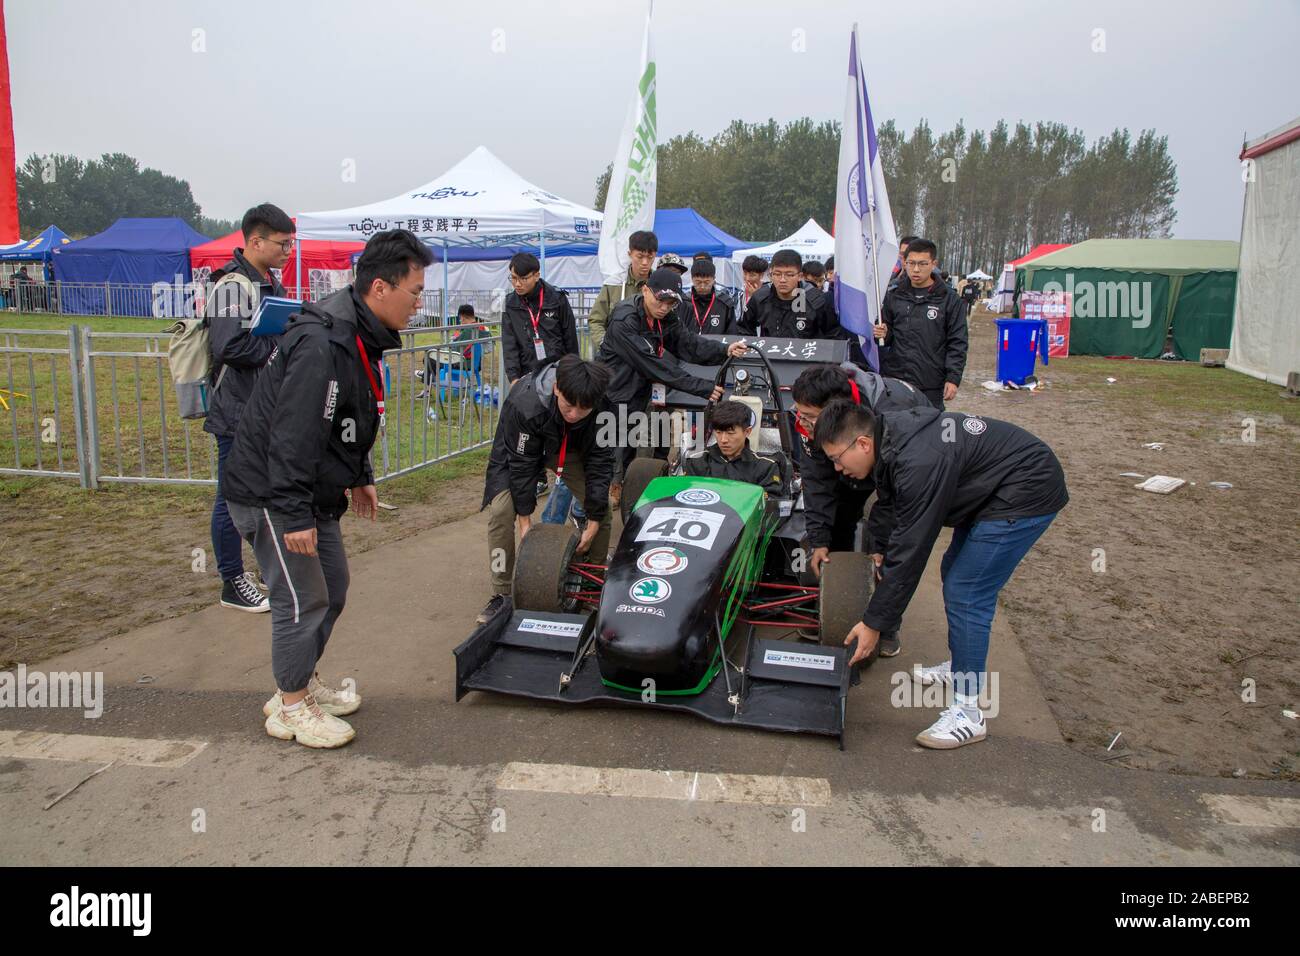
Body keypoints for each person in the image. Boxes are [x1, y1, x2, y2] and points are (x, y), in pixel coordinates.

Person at [222, 228, 433, 749]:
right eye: (416, 292)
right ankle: (290, 706)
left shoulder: (357, 334)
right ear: (380, 289)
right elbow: (293, 436)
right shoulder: (323, 341)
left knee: (332, 588)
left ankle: (300, 681)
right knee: (303, 599)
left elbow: (350, 418)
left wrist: (360, 477)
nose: (419, 304)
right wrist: (293, 514)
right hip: (272, 493)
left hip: (312, 491)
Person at [814, 400, 1068, 750]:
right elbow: (891, 503)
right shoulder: (890, 438)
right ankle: (963, 664)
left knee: (967, 592)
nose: (838, 468)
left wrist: (875, 623)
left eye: (837, 458)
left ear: (862, 444)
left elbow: (914, 547)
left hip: (1024, 489)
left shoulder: (920, 460)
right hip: (991, 487)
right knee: (954, 570)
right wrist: (880, 547)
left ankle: (969, 713)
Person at [790, 363, 929, 656]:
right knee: (837, 521)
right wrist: (819, 540)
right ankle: (836, 603)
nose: (803, 419)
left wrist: (880, 543)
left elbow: (895, 505)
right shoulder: (809, 422)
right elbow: (816, 482)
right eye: (800, 412)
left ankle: (886, 625)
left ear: (834, 410)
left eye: (810, 416)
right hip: (851, 454)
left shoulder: (892, 413)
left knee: (890, 543)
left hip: (903, 465)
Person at [203, 202, 296, 614]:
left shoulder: (267, 282)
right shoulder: (231, 286)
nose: (287, 251)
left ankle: (258, 570)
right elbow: (228, 346)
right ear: (255, 241)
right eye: (282, 244)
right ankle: (231, 581)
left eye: (291, 244)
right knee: (230, 498)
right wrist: (280, 345)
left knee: (259, 495)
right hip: (236, 413)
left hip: (261, 410)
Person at [478, 355, 616, 624]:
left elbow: (601, 462)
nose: (575, 414)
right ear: (556, 388)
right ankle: (502, 592)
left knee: (602, 508)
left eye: (583, 409)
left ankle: (593, 584)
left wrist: (594, 520)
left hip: (570, 448)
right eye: (568, 405)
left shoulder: (604, 408)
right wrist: (526, 521)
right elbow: (522, 465)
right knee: (500, 511)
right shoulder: (526, 403)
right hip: (520, 447)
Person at [596, 267, 748, 472]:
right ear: (646, 290)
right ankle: (597, 498)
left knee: (628, 453)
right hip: (611, 394)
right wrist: (700, 387)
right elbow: (652, 364)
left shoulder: (665, 317)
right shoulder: (625, 319)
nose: (664, 307)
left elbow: (689, 344)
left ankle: (621, 491)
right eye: (660, 300)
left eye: (670, 303)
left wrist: (724, 350)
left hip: (638, 393)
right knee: (607, 455)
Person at [873, 238, 967, 411]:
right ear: (904, 262)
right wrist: (882, 333)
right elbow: (887, 335)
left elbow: (957, 341)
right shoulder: (894, 293)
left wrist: (953, 378)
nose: (916, 269)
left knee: (929, 432)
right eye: (911, 263)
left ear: (933, 264)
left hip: (930, 381)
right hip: (896, 379)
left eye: (922, 264)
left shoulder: (948, 298)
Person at [501, 252, 579, 385]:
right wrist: (513, 377)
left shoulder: (556, 298)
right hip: (527, 373)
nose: (517, 284)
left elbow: (570, 338)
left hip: (557, 370)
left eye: (523, 279)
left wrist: (573, 370)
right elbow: (509, 343)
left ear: (536, 275)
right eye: (513, 278)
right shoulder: (510, 304)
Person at [683, 399, 789, 496]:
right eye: (718, 432)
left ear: (747, 431)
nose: (723, 439)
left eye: (730, 433)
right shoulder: (697, 461)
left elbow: (771, 506)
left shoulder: (765, 468)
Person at [738, 249, 842, 339]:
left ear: (800, 276)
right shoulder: (760, 298)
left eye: (789, 274)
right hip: (768, 358)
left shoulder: (816, 301)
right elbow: (743, 330)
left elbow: (833, 335)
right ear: (771, 275)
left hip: (806, 358)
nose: (782, 280)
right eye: (777, 274)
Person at [587, 230, 657, 351]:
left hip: (650, 354)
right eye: (640, 257)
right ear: (630, 254)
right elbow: (596, 320)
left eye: (650, 257)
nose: (645, 262)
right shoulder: (613, 284)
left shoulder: (660, 284)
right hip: (616, 354)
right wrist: (604, 343)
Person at [417, 304, 489, 398]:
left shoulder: (468, 331)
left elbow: (454, 348)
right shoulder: (482, 328)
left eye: (460, 318)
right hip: (476, 363)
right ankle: (427, 375)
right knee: (431, 360)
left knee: (430, 358)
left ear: (462, 317)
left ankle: (427, 387)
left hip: (462, 362)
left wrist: (452, 341)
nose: (460, 321)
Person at [680, 258, 737, 334]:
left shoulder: (725, 303)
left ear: (714, 279)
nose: (702, 286)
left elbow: (732, 334)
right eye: (698, 282)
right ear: (692, 279)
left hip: (717, 345)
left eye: (707, 282)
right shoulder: (684, 302)